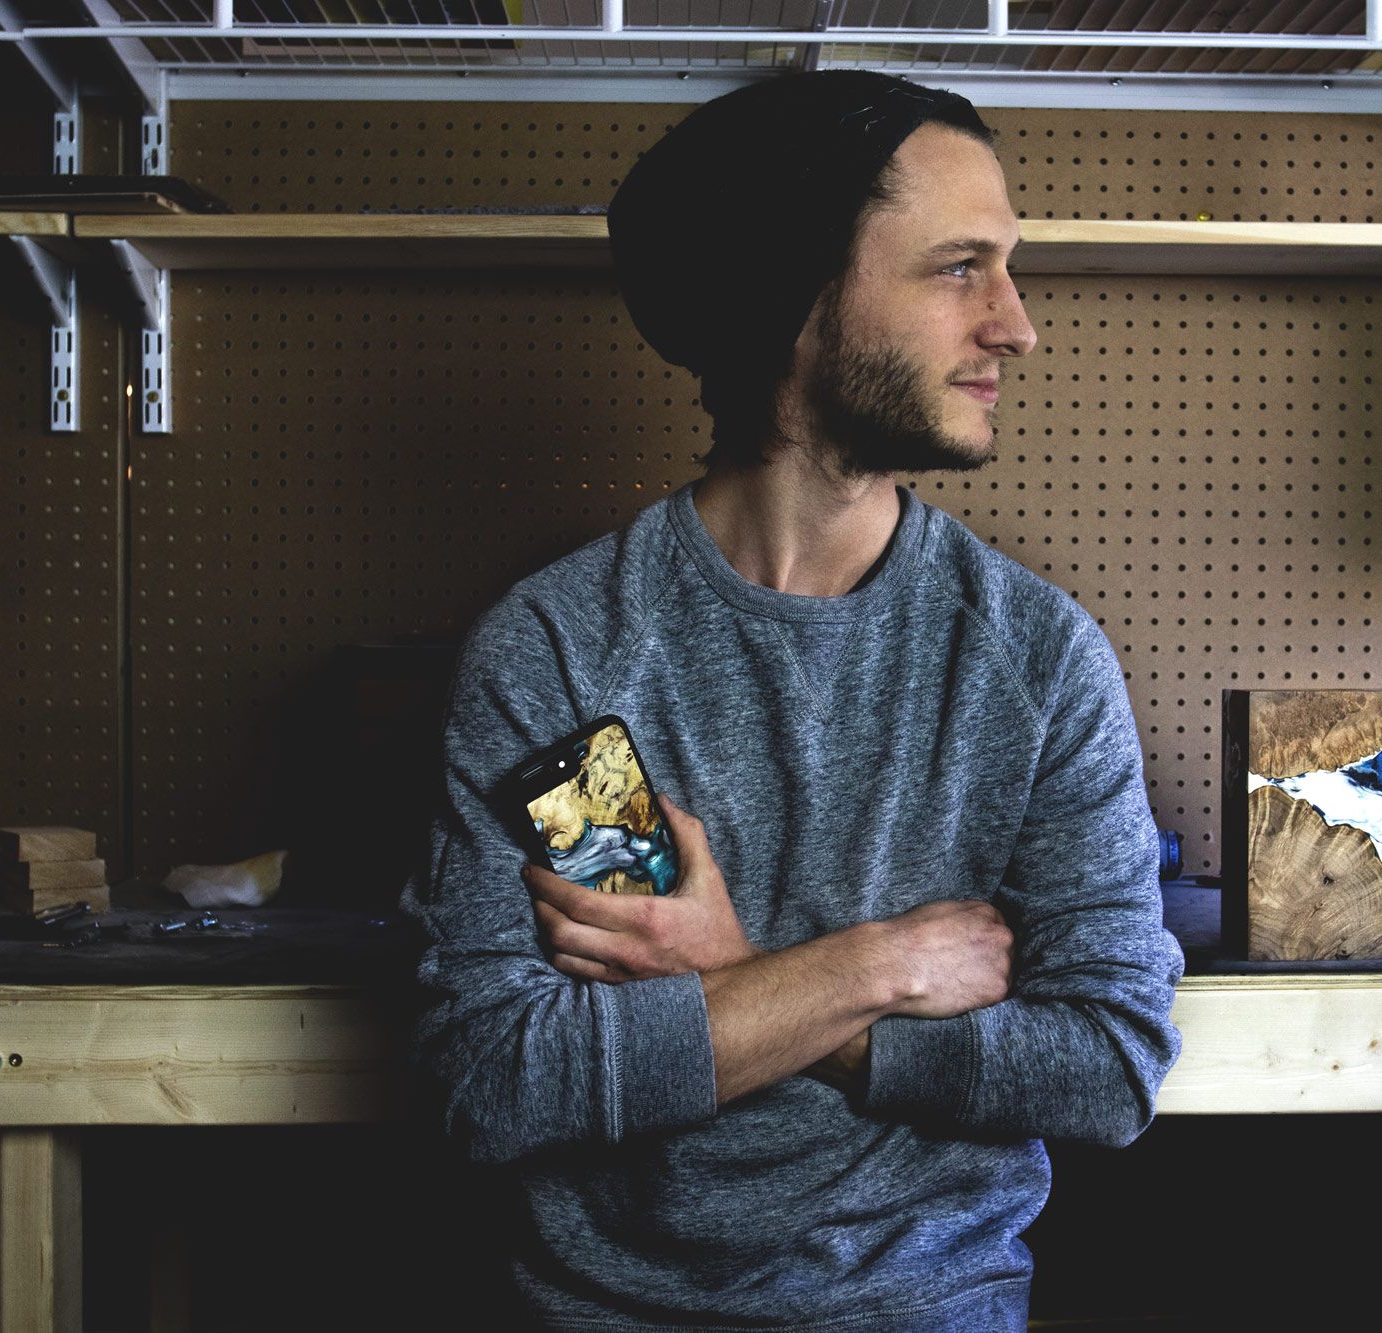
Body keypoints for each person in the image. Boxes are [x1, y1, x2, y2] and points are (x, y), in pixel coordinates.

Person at [401, 70, 1184, 1330]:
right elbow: (501, 1081)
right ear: (798, 296)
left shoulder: (1029, 659)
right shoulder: (569, 649)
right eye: (957, 269)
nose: (1014, 325)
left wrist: (737, 975)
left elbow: (1103, 1067)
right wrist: (878, 965)